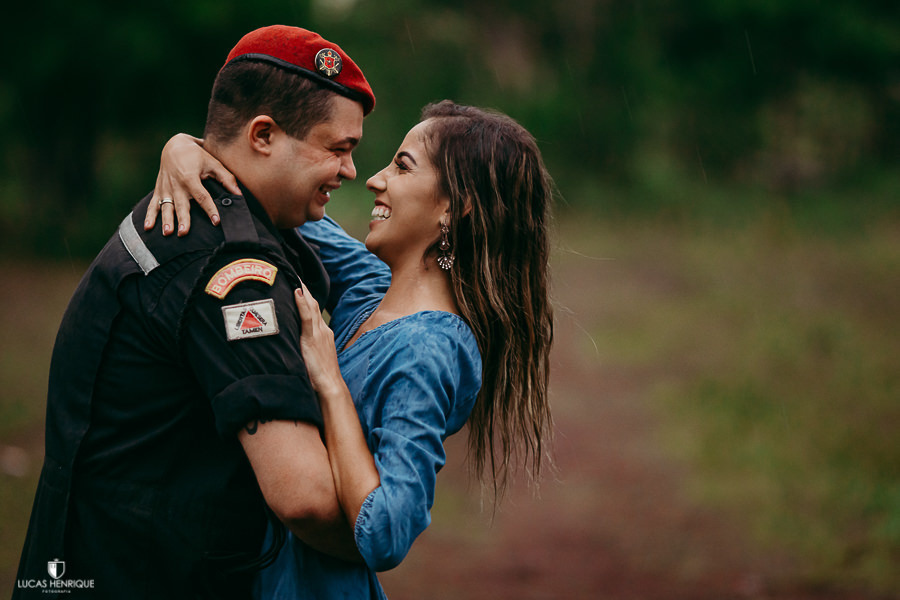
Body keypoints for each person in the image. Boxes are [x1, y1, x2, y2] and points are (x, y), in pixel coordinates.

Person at [13, 25, 376, 599]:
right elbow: (302, 496)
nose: (352, 171)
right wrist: (384, 533)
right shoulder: (231, 267)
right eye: (339, 149)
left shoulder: (208, 216)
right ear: (263, 135)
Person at [150, 100, 555, 598]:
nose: (374, 179)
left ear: (455, 206)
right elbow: (266, 191)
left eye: (402, 167)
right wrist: (185, 148)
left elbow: (387, 533)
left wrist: (330, 386)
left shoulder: (432, 348)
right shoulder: (369, 285)